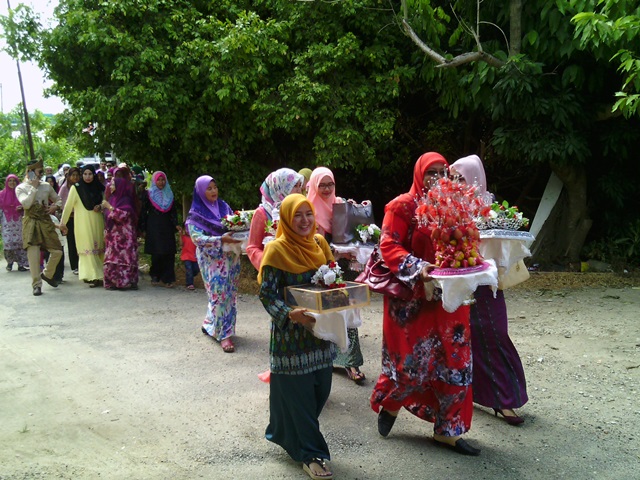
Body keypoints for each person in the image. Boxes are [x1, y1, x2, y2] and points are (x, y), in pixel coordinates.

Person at [370, 152, 481, 456]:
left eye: (443, 172)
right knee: (410, 366)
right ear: (419, 174)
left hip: (448, 302)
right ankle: (391, 404)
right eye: (431, 172)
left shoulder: (455, 205)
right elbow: (388, 245)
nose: (437, 178)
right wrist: (418, 267)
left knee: (455, 364)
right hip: (412, 303)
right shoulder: (402, 206)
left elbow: (466, 242)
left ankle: (448, 431)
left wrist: (473, 261)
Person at [257, 194, 336, 480]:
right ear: (287, 220)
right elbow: (267, 295)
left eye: (308, 214)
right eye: (297, 215)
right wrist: (290, 315)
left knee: (319, 392)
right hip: (290, 341)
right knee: (300, 401)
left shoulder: (320, 244)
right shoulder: (276, 250)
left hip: (320, 336)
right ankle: (311, 454)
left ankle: (287, 434)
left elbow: (334, 280)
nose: (304, 221)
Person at [450, 154, 528, 425]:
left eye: (462, 178)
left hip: (486, 281)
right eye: (453, 178)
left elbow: (500, 248)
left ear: (475, 178)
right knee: (462, 338)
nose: (456, 183)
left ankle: (505, 399)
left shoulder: (490, 209)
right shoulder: (446, 207)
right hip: (457, 280)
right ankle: (467, 395)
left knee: (495, 333)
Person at [307, 166, 366, 383]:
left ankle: (351, 362)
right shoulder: (307, 208)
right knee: (322, 315)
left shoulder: (340, 203)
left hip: (341, 267)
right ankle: (324, 361)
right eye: (321, 185)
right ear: (314, 185)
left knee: (346, 312)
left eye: (329, 184)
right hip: (318, 270)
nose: (326, 189)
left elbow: (351, 233)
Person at [186, 175, 242, 352]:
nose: (213, 191)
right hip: (211, 260)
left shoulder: (224, 206)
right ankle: (224, 335)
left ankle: (210, 324)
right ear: (201, 192)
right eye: (209, 188)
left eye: (215, 187)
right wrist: (220, 239)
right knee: (218, 294)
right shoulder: (196, 213)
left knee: (229, 295)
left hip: (230, 258)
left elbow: (234, 223)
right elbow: (196, 238)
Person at [15, 160, 64, 296]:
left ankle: (47, 274)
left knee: (57, 251)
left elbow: (58, 199)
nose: (41, 174)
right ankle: (36, 285)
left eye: (42, 171)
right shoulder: (21, 188)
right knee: (34, 255)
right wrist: (33, 187)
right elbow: (26, 204)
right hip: (30, 222)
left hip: (45, 221)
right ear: (30, 172)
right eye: (39, 171)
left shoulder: (46, 186)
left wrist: (55, 206)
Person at [247, 168, 304, 271]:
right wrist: (268, 262)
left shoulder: (300, 210)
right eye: (294, 186)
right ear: (280, 188)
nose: (299, 191)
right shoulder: (263, 213)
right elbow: (252, 248)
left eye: (300, 186)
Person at [60, 164, 106, 288]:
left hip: (97, 221)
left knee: (99, 247)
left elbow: (105, 201)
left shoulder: (99, 187)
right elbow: (68, 206)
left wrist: (100, 206)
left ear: (94, 175)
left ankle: (101, 274)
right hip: (83, 223)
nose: (87, 177)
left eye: (90, 174)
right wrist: (63, 223)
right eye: (85, 174)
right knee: (88, 247)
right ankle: (92, 275)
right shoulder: (76, 188)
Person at [139, 171, 178, 287]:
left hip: (167, 226)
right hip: (154, 226)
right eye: (158, 180)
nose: (161, 182)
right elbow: (143, 212)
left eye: (163, 180)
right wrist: (143, 228)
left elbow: (173, 212)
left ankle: (168, 278)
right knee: (157, 252)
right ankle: (155, 275)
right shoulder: (149, 194)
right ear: (154, 181)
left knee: (169, 252)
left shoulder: (169, 194)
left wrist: (176, 224)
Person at [101, 176, 140, 290]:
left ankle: (125, 281)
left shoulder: (126, 200)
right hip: (113, 236)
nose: (111, 186)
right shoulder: (112, 198)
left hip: (125, 237)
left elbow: (123, 216)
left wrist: (109, 207)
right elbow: (108, 217)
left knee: (125, 259)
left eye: (113, 184)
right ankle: (113, 282)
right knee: (112, 259)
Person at [0, 174, 29, 272]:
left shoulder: (21, 194)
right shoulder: (1, 194)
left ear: (17, 182)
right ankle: (10, 261)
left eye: (14, 181)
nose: (12, 183)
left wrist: (22, 207)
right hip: (6, 222)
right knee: (8, 243)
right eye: (10, 181)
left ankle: (21, 264)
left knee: (20, 243)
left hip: (19, 221)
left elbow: (27, 205)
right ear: (6, 182)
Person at [58, 167, 81, 275]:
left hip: (81, 217)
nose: (75, 177)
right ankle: (75, 265)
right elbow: (61, 202)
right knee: (72, 242)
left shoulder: (81, 186)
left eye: (77, 175)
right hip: (70, 218)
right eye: (73, 175)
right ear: (69, 176)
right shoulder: (64, 188)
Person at [179, 223, 200, 290]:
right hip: (186, 256)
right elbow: (181, 244)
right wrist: (180, 235)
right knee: (189, 269)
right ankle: (189, 283)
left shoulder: (195, 238)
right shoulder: (184, 237)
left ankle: (190, 276)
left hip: (194, 256)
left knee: (196, 269)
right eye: (186, 229)